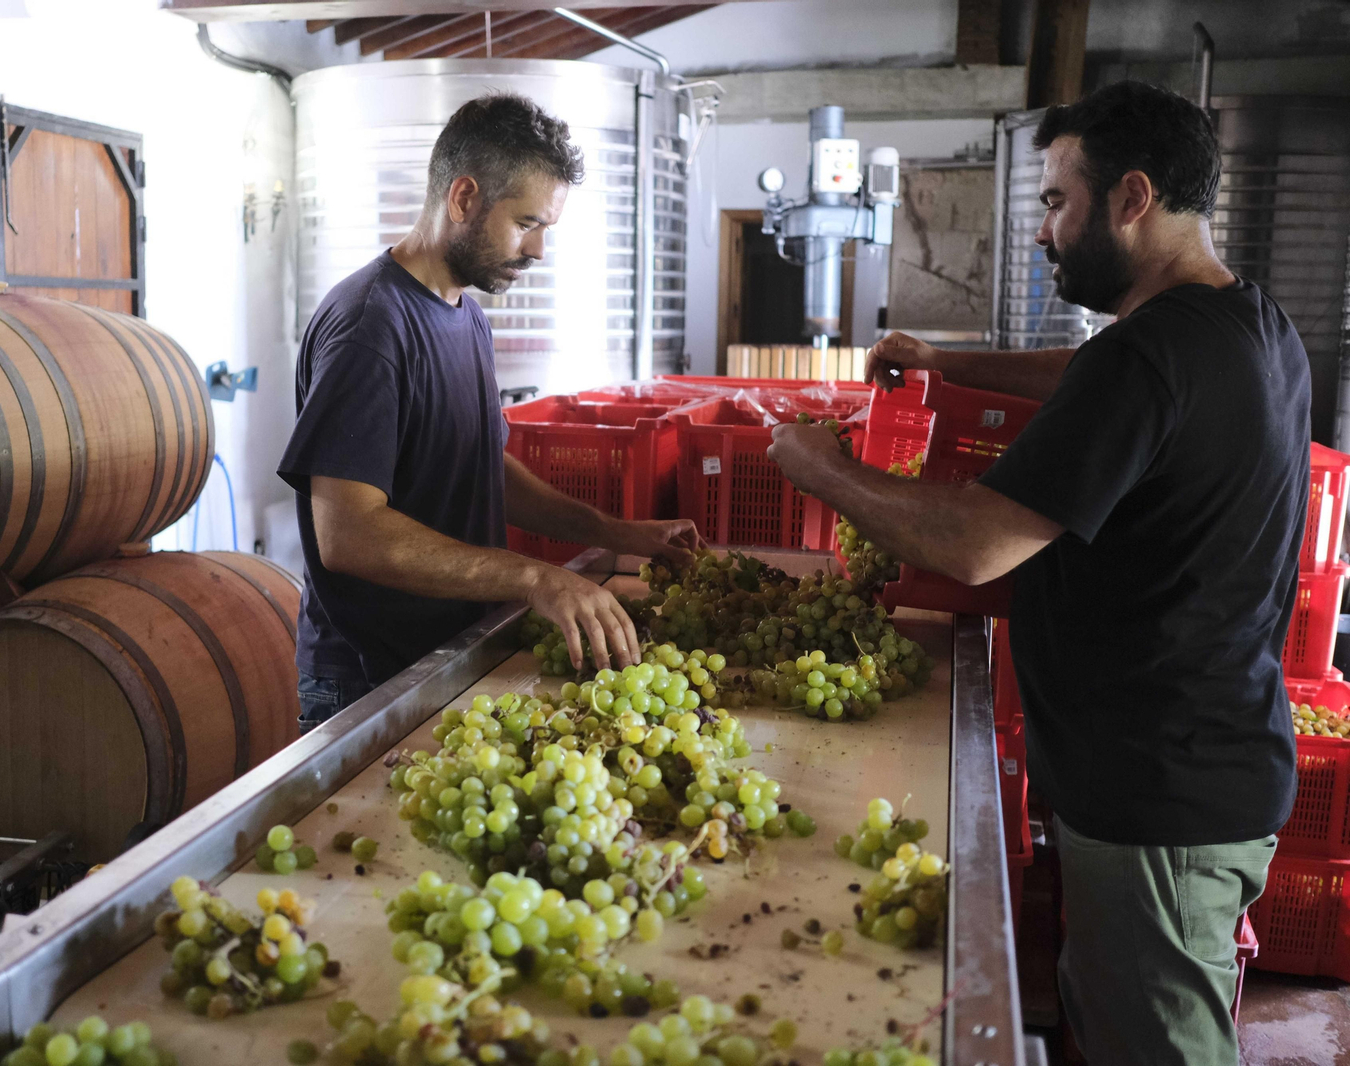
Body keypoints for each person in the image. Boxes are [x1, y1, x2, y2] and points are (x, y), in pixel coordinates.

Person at [767, 81, 1307, 1065]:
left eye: (1056, 202)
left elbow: (975, 543)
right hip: (1205, 759)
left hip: (1158, 798)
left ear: (1131, 198)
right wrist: (950, 362)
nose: (1043, 232)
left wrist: (822, 469)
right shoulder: (1244, 324)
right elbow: (1097, 389)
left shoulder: (1146, 362)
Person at [278, 92, 699, 734]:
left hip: (446, 653)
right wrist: (535, 578)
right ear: (464, 197)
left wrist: (620, 533)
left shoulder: (465, 315)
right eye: (527, 223)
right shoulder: (370, 326)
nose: (537, 252)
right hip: (365, 680)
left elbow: (484, 472)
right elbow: (349, 535)